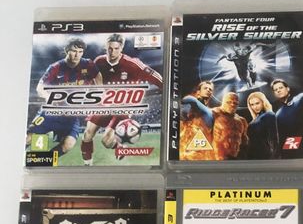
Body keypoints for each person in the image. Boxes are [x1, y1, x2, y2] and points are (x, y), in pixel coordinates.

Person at [80, 33, 162, 165]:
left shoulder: (132, 64)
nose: (112, 52)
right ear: (105, 47)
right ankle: (87, 166)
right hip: (105, 103)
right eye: (109, 48)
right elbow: (91, 79)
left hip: (124, 106)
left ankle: (118, 146)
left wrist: (169, 92)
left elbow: (155, 77)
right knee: (87, 134)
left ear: (121, 48)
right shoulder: (99, 61)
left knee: (106, 141)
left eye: (116, 48)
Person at [26, 38, 101, 159]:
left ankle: (44, 161)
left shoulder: (88, 64)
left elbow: (98, 75)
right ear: (66, 50)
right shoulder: (55, 67)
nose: (77, 55)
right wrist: (51, 99)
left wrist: (99, 91)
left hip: (71, 117)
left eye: (80, 52)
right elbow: (40, 88)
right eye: (74, 51)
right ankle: (15, 158)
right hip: (51, 114)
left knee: (68, 145)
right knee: (28, 138)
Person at [179, 81, 215, 160]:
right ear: (198, 92)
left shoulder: (210, 112)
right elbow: (183, 112)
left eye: (210, 89)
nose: (208, 90)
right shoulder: (190, 104)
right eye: (205, 88)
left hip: (203, 153)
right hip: (187, 150)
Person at [271, 79, 303, 157]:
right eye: (276, 90)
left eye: (281, 88)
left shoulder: (302, 98)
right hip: (296, 149)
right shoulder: (279, 114)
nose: (278, 90)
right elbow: (284, 136)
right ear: (274, 94)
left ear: (287, 88)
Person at [211, 92, 248, 160]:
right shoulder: (213, 113)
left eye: (235, 103)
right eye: (229, 102)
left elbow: (244, 142)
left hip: (234, 158)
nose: (232, 104)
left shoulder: (242, 120)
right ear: (223, 102)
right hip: (216, 157)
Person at [246, 91, 278, 159]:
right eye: (252, 104)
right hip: (253, 156)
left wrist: (274, 158)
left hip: (264, 156)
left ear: (263, 102)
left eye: (257, 103)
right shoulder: (255, 119)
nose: (255, 107)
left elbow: (274, 139)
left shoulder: (269, 115)